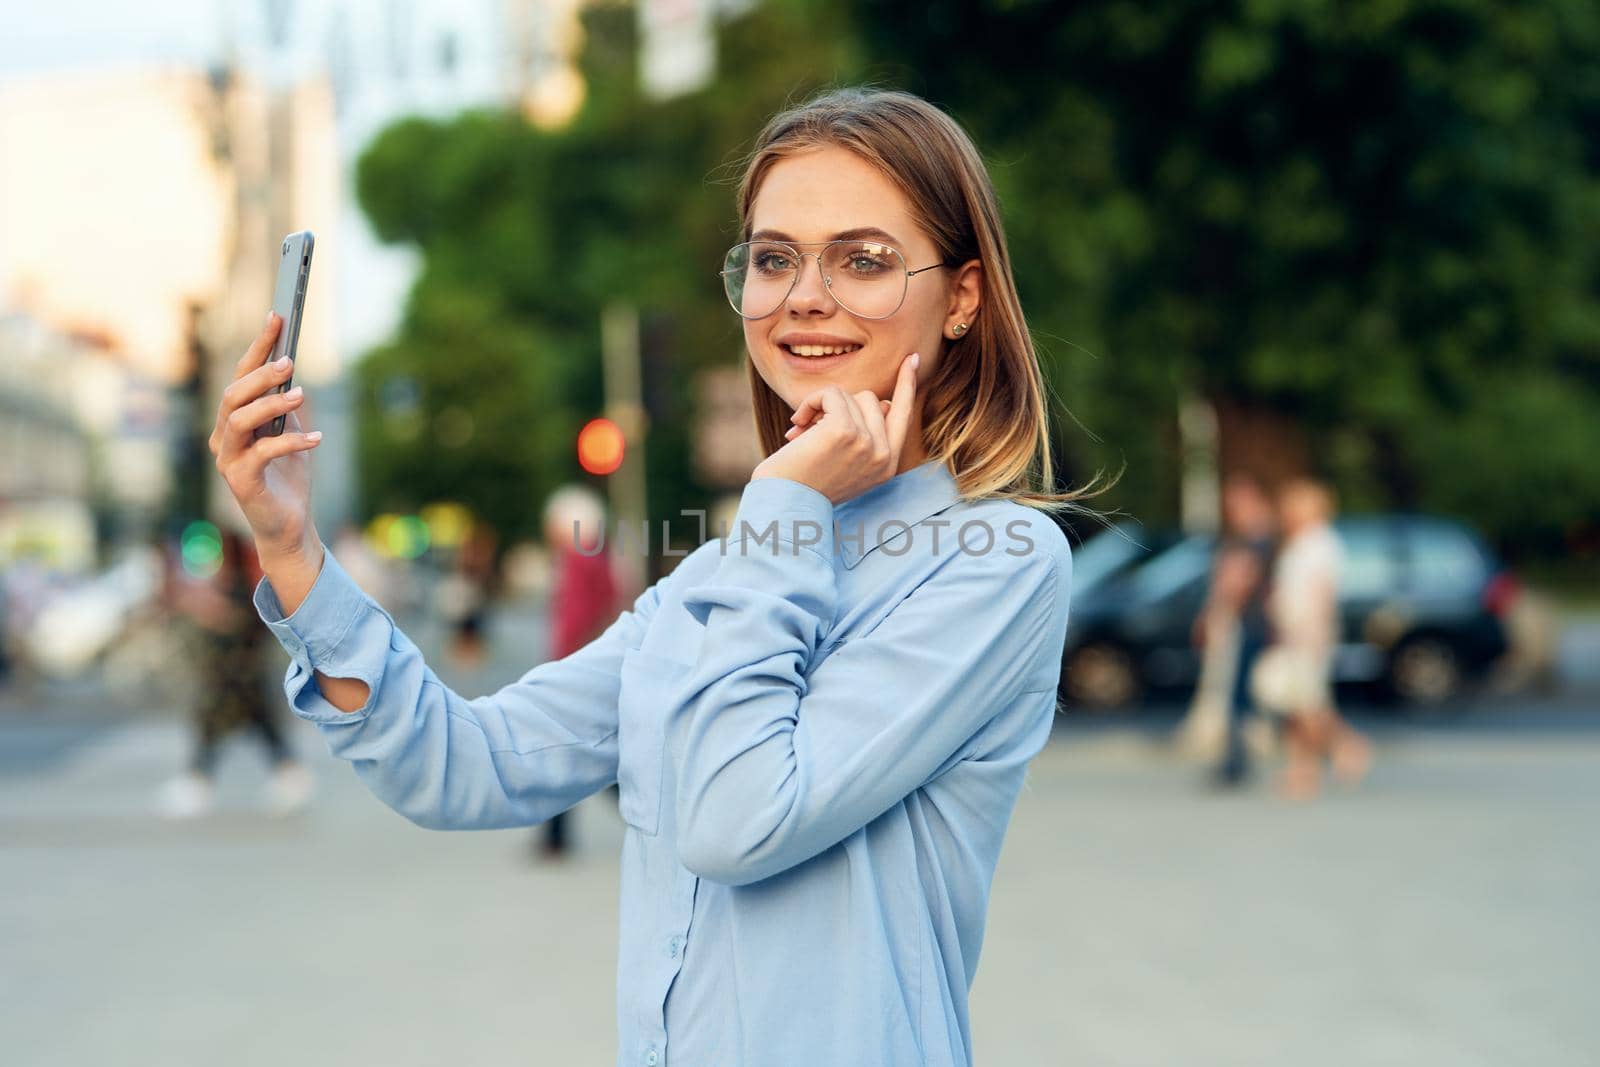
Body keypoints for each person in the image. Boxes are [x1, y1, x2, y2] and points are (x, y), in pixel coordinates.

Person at [208, 87, 1109, 1066]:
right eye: (773, 259)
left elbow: (739, 819)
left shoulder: (999, 565)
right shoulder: (724, 576)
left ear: (964, 297)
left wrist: (782, 508)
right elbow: (469, 763)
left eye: (862, 259)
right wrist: (291, 545)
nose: (805, 296)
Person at [156, 527, 313, 818]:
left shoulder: (247, 588)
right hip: (235, 677)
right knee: (254, 727)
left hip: (237, 677)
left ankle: (198, 783)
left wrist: (203, 609)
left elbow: (237, 621)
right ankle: (288, 775)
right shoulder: (242, 585)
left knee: (220, 728)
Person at [1257, 477, 1372, 800]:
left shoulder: (1321, 544)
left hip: (1307, 635)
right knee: (1295, 706)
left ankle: (1347, 745)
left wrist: (1313, 634)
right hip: (1291, 633)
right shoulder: (1299, 543)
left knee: (1309, 704)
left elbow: (1323, 594)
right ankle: (1301, 771)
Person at [534, 485, 621, 861]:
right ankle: (554, 835)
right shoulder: (598, 559)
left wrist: (558, 664)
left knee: (572, 753)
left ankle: (554, 836)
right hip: (588, 667)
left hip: (576, 668)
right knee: (574, 753)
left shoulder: (578, 560)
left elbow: (574, 620)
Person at [1193, 473, 1278, 787]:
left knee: (1238, 695)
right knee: (1236, 695)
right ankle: (1234, 760)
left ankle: (1235, 762)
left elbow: (1239, 582)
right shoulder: (1253, 534)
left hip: (1247, 623)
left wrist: (1219, 609)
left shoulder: (1256, 535)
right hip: (1246, 622)